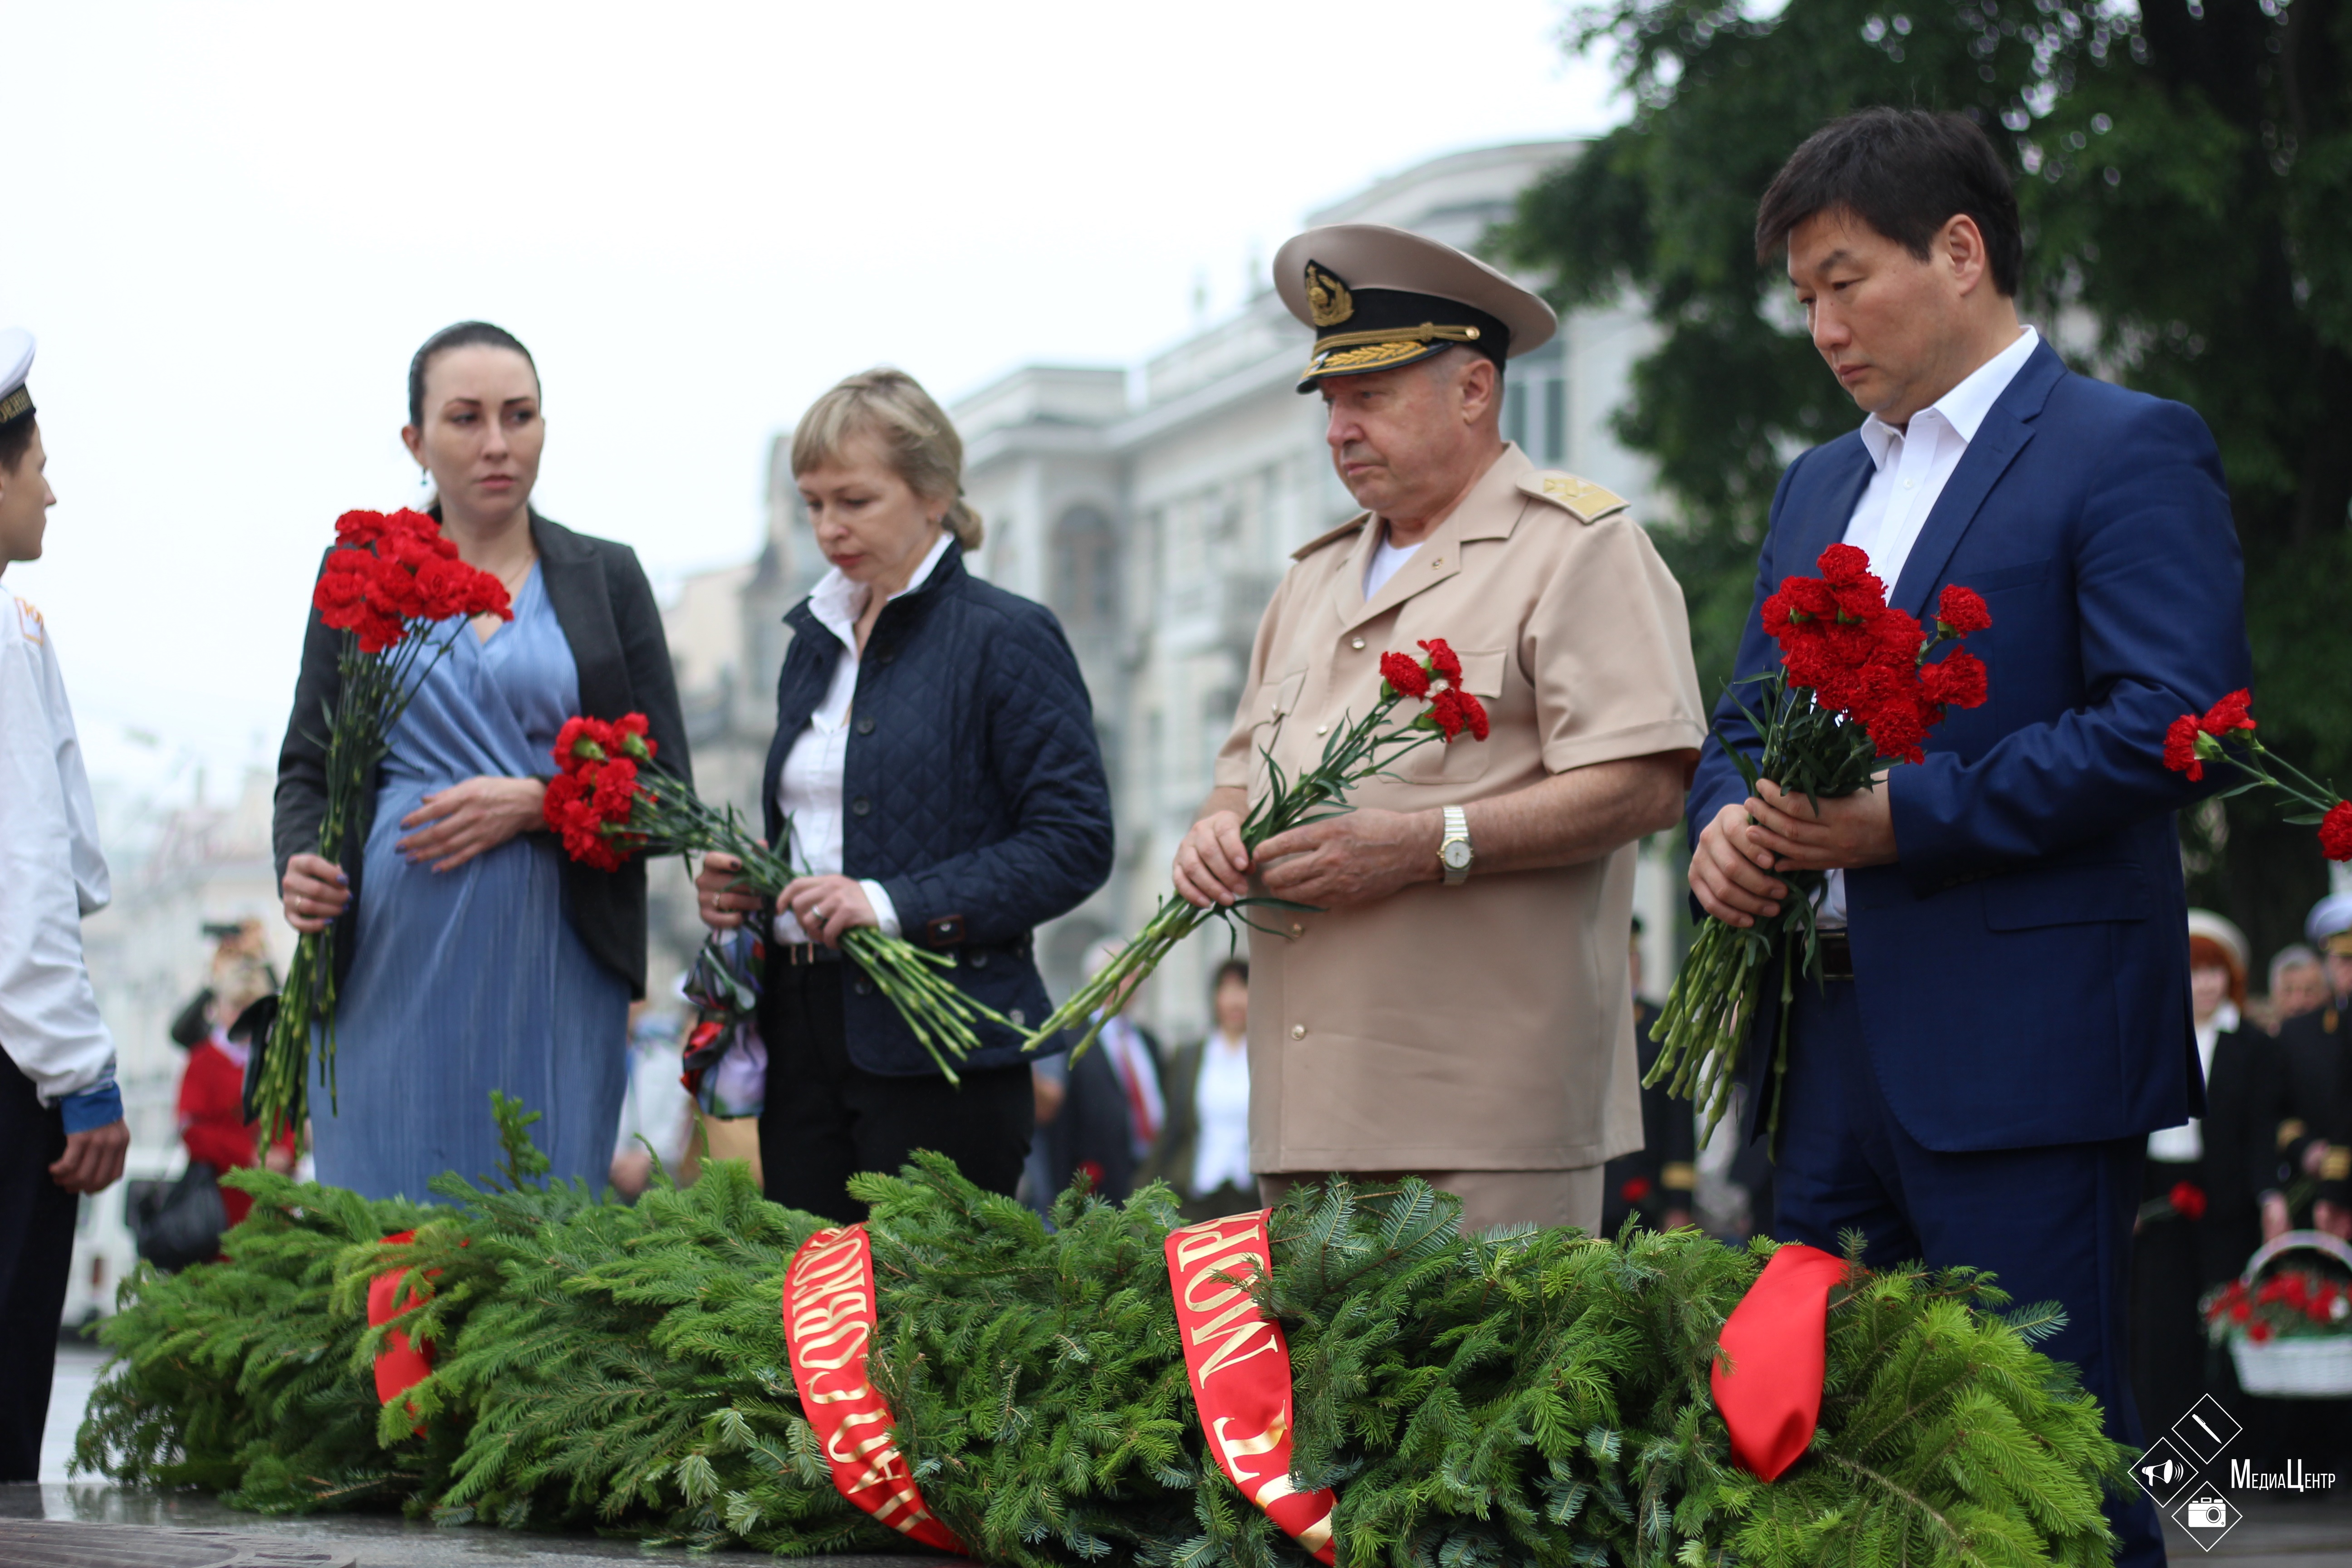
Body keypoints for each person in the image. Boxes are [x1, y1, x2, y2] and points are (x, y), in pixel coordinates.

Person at [1684, 109, 2251, 1567]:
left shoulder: (2125, 447)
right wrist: (1719, 829)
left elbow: (2176, 721)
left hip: (2026, 1052)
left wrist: (1904, 820)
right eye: (1802, 297)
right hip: (1819, 1051)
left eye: (1844, 281)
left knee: (2038, 1450)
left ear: (1960, 251)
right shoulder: (1823, 483)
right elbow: (1747, 710)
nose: (1821, 326)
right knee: (1818, 1444)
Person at [1174, 225, 1705, 1235]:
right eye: (1330, 403)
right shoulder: (1309, 580)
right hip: (1306, 1119)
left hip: (1484, 1121)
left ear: (1474, 391)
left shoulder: (1579, 548)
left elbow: (1648, 780)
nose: (1339, 430)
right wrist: (1214, 829)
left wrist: (1427, 845)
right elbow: (1237, 776)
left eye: (1369, 398)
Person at [275, 322, 691, 1200]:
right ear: (414, 441)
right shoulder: (360, 567)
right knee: (389, 1230)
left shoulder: (606, 578)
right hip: (386, 952)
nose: (498, 443)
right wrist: (299, 862)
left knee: (541, 1222)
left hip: (559, 961)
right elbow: (306, 765)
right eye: (465, 418)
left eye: (520, 415)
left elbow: (670, 795)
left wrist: (540, 803)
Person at [694, 369, 1112, 1222]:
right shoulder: (809, 644)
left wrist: (887, 903)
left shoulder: (1007, 636)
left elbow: (1074, 841)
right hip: (801, 1025)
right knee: (815, 1317)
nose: (828, 528)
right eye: (812, 504)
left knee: (926, 1321)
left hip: (940, 1038)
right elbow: (828, 831)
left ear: (933, 494)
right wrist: (754, 884)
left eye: (853, 500)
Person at [0, 327, 130, 1480]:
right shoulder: (2, 631)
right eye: (35, 458)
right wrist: (80, 1073)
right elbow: (26, 879)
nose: (51, 485)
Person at [2130, 912, 2269, 1433]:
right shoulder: (2153, 1036)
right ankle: (2162, 1443)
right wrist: (2133, 1202)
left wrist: (2267, 1198)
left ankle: (2224, 1450)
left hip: (2224, 1202)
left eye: (2213, 970)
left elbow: (2260, 1130)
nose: (2204, 983)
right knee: (2161, 1325)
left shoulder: (2251, 1045)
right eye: (2192, 971)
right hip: (2158, 1199)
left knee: (2221, 1323)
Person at [174, 953, 297, 1232]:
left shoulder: (276, 1060)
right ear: (218, 1008)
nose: (244, 1018)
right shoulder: (202, 1061)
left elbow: (293, 1120)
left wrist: (287, 1154)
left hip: (273, 1197)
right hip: (217, 1200)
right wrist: (248, 1155)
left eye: (253, 1009)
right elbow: (191, 1129)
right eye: (236, 1007)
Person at [1142, 959, 1258, 1222]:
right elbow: (1171, 1126)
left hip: (1250, 1191)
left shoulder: (1267, 1057)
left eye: (1244, 989)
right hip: (1197, 1188)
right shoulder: (1189, 1057)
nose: (1235, 1002)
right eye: (1227, 990)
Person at [2264, 894, 2352, 1240]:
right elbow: (2274, 1111)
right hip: (2318, 1190)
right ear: (2327, 964)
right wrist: (2306, 1149)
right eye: (2343, 958)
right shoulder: (2297, 1033)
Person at [1601, 918, 1695, 1235]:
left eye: (1631, 956)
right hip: (1589, 1195)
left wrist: (1680, 1204)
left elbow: (1679, 1125)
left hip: (1644, 1199)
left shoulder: (1664, 1029)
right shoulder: (1581, 1028)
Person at [2264, 943, 2327, 1028]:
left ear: (2325, 995)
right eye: (2288, 991)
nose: (2298, 1003)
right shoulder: (2260, 1040)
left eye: (2309, 991)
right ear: (2273, 996)